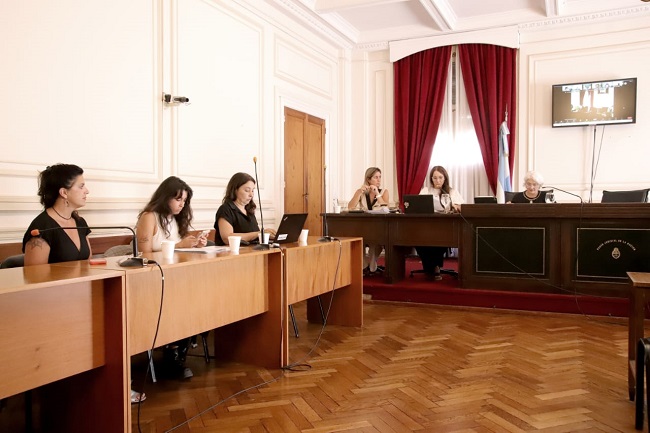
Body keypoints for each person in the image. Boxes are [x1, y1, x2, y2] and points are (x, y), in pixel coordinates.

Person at [22, 164, 146, 403]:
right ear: (63, 192)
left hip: (81, 300)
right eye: (81, 186)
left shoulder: (79, 221)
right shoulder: (42, 228)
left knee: (118, 319)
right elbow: (34, 281)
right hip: (53, 310)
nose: (87, 190)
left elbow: (87, 263)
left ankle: (113, 388)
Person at [135, 176, 207, 380]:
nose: (181, 204)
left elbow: (175, 250)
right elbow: (144, 252)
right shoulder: (149, 216)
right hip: (152, 279)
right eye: (178, 199)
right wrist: (180, 245)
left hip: (175, 277)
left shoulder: (174, 219)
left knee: (199, 297)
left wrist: (193, 244)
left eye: (184, 200)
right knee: (184, 302)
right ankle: (173, 354)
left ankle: (178, 351)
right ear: (165, 197)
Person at [416, 166, 464, 280]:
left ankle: (434, 267)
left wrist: (455, 206)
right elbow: (418, 205)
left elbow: (462, 207)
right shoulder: (426, 191)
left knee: (438, 238)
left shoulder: (451, 192)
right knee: (417, 237)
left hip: (445, 227)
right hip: (427, 225)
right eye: (435, 178)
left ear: (445, 178)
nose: (437, 180)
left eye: (440, 178)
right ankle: (432, 267)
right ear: (431, 179)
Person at [213, 172, 275, 246]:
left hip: (252, 251)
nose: (251, 195)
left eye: (252, 190)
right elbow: (227, 238)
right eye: (247, 190)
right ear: (235, 190)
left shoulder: (249, 210)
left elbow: (254, 236)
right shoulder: (225, 209)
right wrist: (258, 234)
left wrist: (267, 235)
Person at [347, 167, 389, 275]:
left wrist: (377, 194)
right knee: (358, 238)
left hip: (379, 226)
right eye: (376, 177)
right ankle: (365, 265)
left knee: (375, 240)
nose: (379, 180)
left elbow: (386, 208)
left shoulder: (384, 191)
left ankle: (372, 265)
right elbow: (350, 207)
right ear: (368, 179)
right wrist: (359, 193)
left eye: (380, 177)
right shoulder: (361, 192)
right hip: (363, 226)